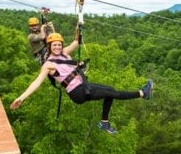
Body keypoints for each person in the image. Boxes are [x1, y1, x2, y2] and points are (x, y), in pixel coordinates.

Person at [10, 29, 153, 134]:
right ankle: (142, 93)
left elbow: (77, 42)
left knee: (110, 90)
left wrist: (78, 27)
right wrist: (21, 98)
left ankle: (104, 122)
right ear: (49, 46)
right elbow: (36, 82)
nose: (58, 47)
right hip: (77, 92)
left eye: (59, 45)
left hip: (83, 85)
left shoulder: (65, 54)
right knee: (112, 92)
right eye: (54, 45)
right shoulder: (48, 65)